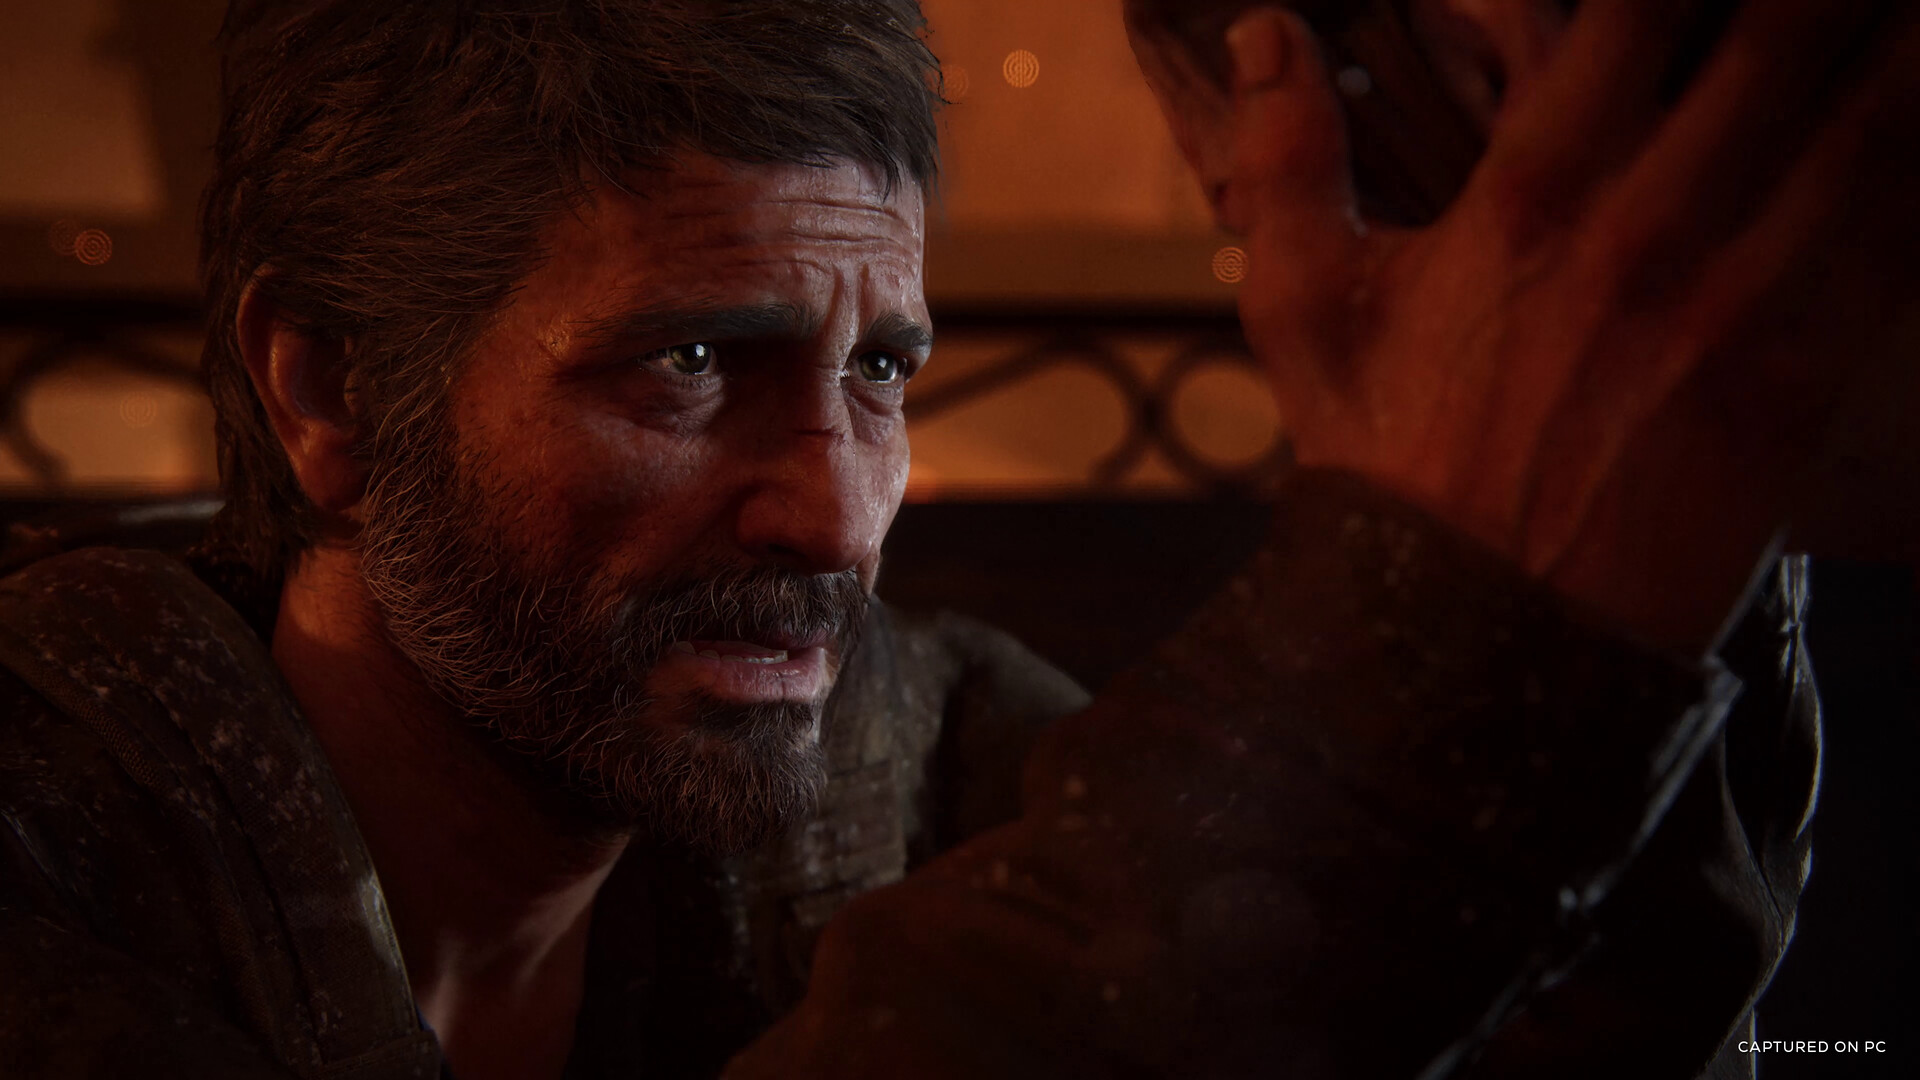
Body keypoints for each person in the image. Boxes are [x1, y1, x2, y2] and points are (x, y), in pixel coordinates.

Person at [0, 2, 1905, 1079]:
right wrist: (1442, 613)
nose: (839, 509)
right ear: (328, 389)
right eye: (689, 362)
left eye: (883, 370)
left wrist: (1658, 529)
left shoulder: (927, 752)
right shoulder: (39, 827)